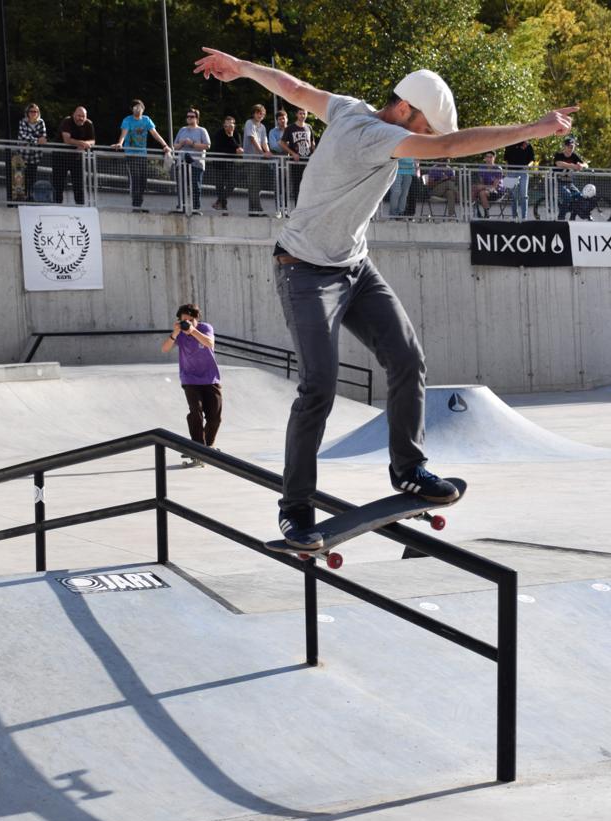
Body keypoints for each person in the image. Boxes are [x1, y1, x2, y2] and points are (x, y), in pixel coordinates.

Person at [192, 46, 576, 550]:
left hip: (354, 266)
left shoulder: (349, 107)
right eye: (423, 129)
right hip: (305, 272)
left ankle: (408, 468)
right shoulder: (376, 137)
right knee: (318, 386)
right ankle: (295, 508)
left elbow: (294, 89)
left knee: (407, 358)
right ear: (406, 110)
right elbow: (450, 147)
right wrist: (532, 129)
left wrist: (243, 68)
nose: (423, 141)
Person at [160, 304, 222, 466]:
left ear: (197, 319)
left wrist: (193, 331)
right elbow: (165, 349)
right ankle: (197, 448)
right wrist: (175, 332)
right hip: (190, 379)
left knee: (215, 417)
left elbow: (209, 343)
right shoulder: (179, 333)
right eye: (184, 321)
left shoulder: (205, 328)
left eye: (191, 320)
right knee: (195, 411)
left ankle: (207, 446)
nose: (188, 323)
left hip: (210, 378)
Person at [112, 100, 171, 211]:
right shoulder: (127, 120)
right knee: (135, 178)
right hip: (131, 154)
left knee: (143, 180)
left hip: (142, 155)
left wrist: (165, 145)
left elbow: (155, 133)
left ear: (143, 109)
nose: (138, 110)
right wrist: (120, 143)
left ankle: (139, 204)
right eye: (135, 107)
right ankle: (136, 206)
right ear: (132, 109)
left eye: (140, 107)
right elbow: (124, 133)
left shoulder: (146, 120)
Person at [53, 106, 95, 205]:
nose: (81, 118)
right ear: (73, 115)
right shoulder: (67, 121)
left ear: (86, 117)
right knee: (58, 184)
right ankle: (56, 206)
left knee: (79, 184)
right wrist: (81, 143)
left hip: (77, 158)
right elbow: (66, 139)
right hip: (60, 157)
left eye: (83, 116)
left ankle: (80, 207)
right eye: (78, 115)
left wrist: (85, 144)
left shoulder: (89, 124)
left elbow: (92, 141)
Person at [173, 108, 211, 212]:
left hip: (196, 163)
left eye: (192, 116)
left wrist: (192, 144)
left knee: (196, 186)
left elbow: (207, 145)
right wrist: (181, 143)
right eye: (188, 116)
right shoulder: (182, 130)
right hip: (182, 162)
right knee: (181, 187)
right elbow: (174, 146)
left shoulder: (202, 130)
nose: (189, 118)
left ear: (197, 118)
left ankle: (196, 209)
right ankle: (182, 207)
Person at [279, 107, 315, 208]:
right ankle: (297, 208)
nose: (302, 115)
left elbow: (312, 143)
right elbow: (282, 143)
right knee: (297, 186)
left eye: (304, 113)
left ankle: (307, 208)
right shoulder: (290, 128)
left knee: (308, 185)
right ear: (296, 114)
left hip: (307, 161)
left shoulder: (309, 127)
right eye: (300, 113)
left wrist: (314, 154)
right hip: (296, 162)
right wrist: (292, 153)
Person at [12, 103, 48, 203]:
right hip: (22, 155)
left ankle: (31, 198)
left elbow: (43, 137)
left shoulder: (41, 122)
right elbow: (22, 136)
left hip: (35, 156)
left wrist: (31, 139)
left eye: (36, 111)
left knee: (32, 178)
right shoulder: (23, 122)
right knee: (20, 178)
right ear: (27, 113)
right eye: (31, 111)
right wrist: (36, 140)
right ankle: (19, 200)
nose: (33, 113)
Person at [242, 104, 273, 216]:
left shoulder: (263, 127)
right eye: (258, 113)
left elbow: (264, 142)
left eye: (262, 114)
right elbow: (252, 139)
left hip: (259, 160)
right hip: (251, 159)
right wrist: (262, 153)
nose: (260, 116)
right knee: (252, 185)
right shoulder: (249, 123)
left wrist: (268, 152)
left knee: (256, 185)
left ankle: (254, 210)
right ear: (254, 113)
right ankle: (256, 210)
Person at [211, 114, 243, 213]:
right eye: (226, 125)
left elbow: (239, 149)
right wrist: (233, 150)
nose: (228, 127)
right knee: (219, 185)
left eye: (230, 125)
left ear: (234, 125)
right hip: (218, 164)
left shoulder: (236, 134)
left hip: (230, 164)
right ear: (223, 125)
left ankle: (219, 202)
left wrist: (231, 137)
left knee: (232, 183)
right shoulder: (219, 133)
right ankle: (223, 207)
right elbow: (217, 148)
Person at [552, 136, 587, 219]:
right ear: (565, 146)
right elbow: (559, 163)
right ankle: (561, 218)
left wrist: (581, 165)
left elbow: (586, 164)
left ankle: (572, 217)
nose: (571, 148)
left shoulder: (574, 156)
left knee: (579, 197)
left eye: (572, 146)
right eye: (569, 146)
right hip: (558, 182)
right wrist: (572, 166)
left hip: (569, 183)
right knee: (567, 196)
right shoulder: (559, 155)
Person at [503, 138, 535, 220]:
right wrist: (506, 173)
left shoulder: (528, 145)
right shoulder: (509, 143)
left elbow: (532, 160)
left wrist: (528, 166)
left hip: (523, 172)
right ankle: (514, 217)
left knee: (524, 196)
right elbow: (506, 160)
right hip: (511, 172)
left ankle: (524, 218)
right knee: (513, 196)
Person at [268, 109, 290, 213]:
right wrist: (285, 145)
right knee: (278, 186)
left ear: (287, 119)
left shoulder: (291, 130)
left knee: (287, 186)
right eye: (280, 119)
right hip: (277, 162)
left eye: (283, 118)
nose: (282, 120)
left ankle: (286, 209)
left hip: (289, 161)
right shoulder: (272, 131)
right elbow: (273, 146)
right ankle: (278, 210)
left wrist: (280, 143)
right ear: (277, 120)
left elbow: (293, 146)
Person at [471, 150, 502, 218]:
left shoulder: (498, 169)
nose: (488, 159)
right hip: (486, 189)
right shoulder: (482, 167)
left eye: (491, 157)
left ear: (494, 158)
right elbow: (481, 182)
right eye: (487, 157)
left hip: (496, 191)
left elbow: (494, 186)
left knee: (482, 193)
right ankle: (476, 211)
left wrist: (482, 186)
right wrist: (480, 187)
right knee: (473, 188)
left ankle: (487, 214)